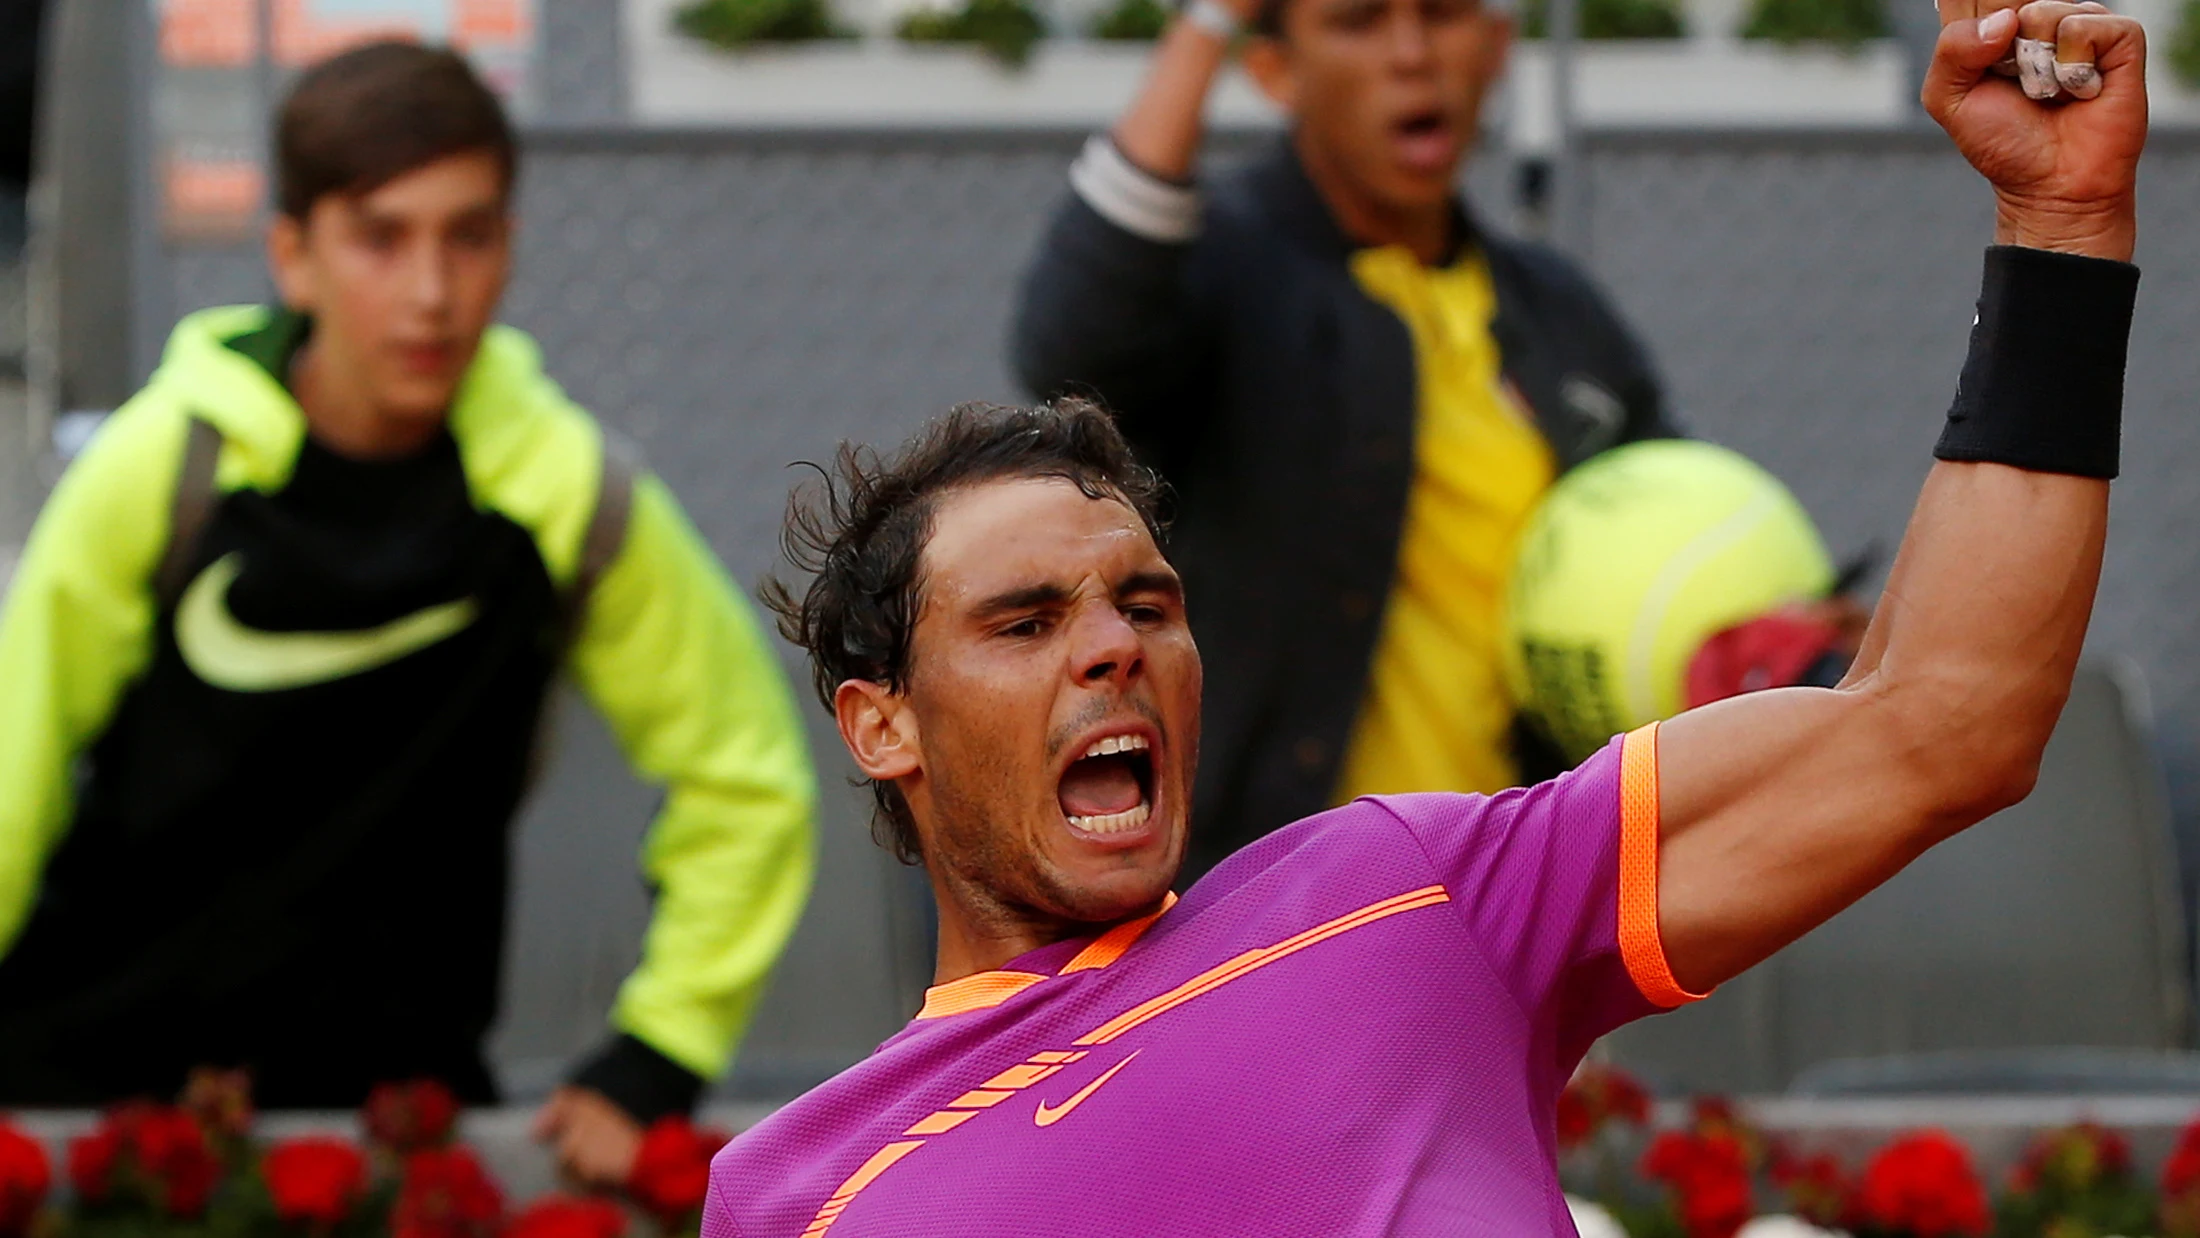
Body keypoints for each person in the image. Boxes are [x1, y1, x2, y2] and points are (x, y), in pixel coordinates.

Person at [709, 0, 2147, 1227]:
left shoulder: (1414, 890)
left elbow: (1942, 716)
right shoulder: (800, 1188)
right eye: (1024, 621)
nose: (1111, 644)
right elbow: (1087, 303)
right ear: (880, 720)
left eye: (1149, 600)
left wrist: (2061, 229)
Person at [0, 43, 817, 1185]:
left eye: (467, 235)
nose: (430, 291)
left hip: (395, 1133)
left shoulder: (567, 492)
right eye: (382, 238)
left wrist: (657, 1050)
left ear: (508, 248)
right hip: (88, 1109)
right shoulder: (170, 463)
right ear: (293, 254)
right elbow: (12, 767)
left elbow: (748, 774)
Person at [1012, 0, 1682, 878]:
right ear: (1274, 71)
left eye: (1442, 14)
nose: (1411, 54)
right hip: (1252, 919)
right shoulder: (1221, 266)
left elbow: (1666, 529)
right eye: (1358, 20)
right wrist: (1210, 21)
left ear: (1497, 45)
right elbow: (1070, 346)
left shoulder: (1556, 310)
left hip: (1501, 912)